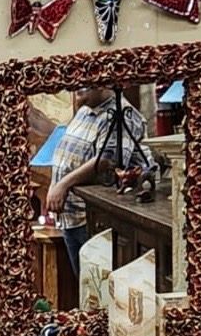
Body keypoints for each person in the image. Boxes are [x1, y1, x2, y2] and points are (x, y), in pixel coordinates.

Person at [45, 87, 156, 273]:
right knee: (84, 285)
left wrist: (63, 184)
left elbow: (107, 160)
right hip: (70, 215)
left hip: (92, 219)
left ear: (104, 83)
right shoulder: (85, 109)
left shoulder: (121, 115)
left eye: (86, 79)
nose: (77, 85)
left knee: (96, 287)